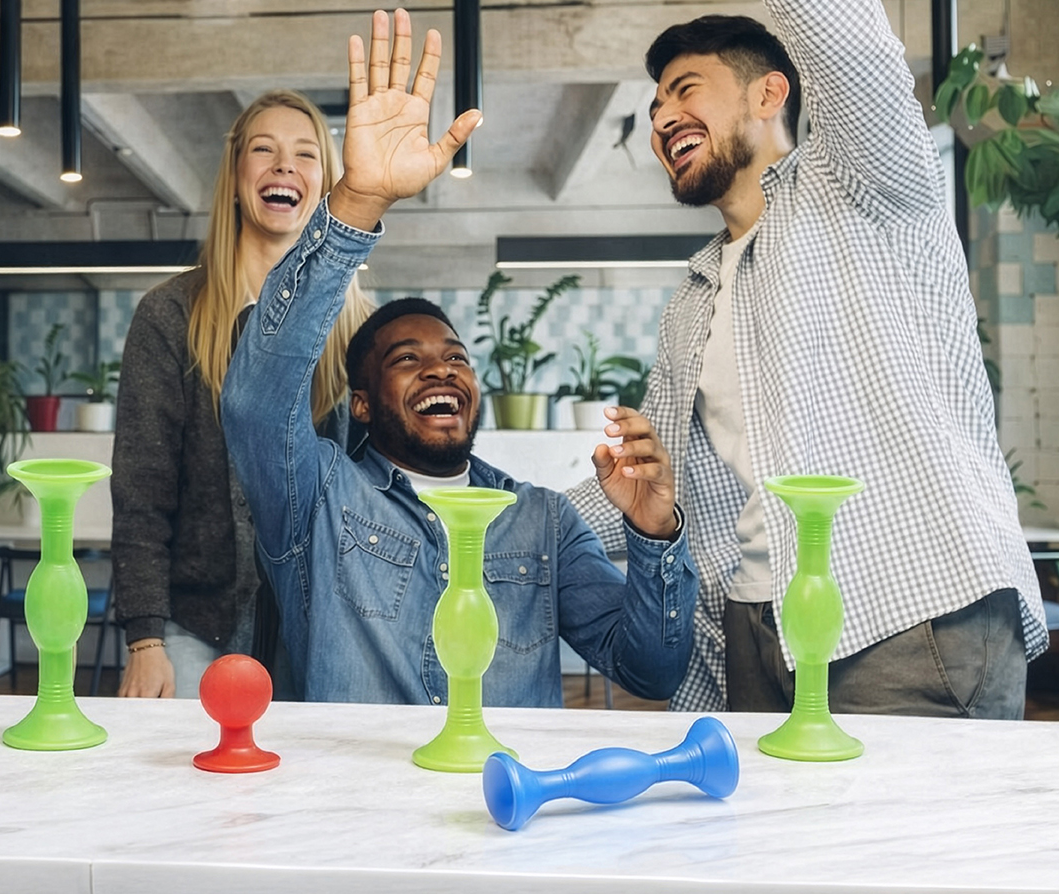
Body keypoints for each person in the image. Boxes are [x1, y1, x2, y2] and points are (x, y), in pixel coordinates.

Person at [566, 0, 1046, 717]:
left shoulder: (862, 186)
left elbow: (854, 47)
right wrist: (511, 515)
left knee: (903, 835)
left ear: (769, 93)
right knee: (770, 835)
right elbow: (648, 480)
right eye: (656, 103)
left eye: (686, 89)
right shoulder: (693, 300)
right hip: (753, 635)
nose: (661, 118)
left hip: (909, 615)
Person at [220, 9, 699, 706]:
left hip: (503, 806)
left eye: (455, 358)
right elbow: (256, 402)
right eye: (407, 360)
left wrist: (654, 533)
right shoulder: (319, 500)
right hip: (357, 807)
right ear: (360, 400)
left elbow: (651, 670)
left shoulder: (542, 522)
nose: (442, 369)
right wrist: (358, 199)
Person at [112, 90, 375, 699]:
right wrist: (146, 640)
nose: (285, 166)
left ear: (327, 186)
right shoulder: (170, 315)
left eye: (306, 155)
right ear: (235, 179)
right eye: (265, 150)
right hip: (196, 627)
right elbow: (141, 493)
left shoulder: (362, 331)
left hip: (324, 629)